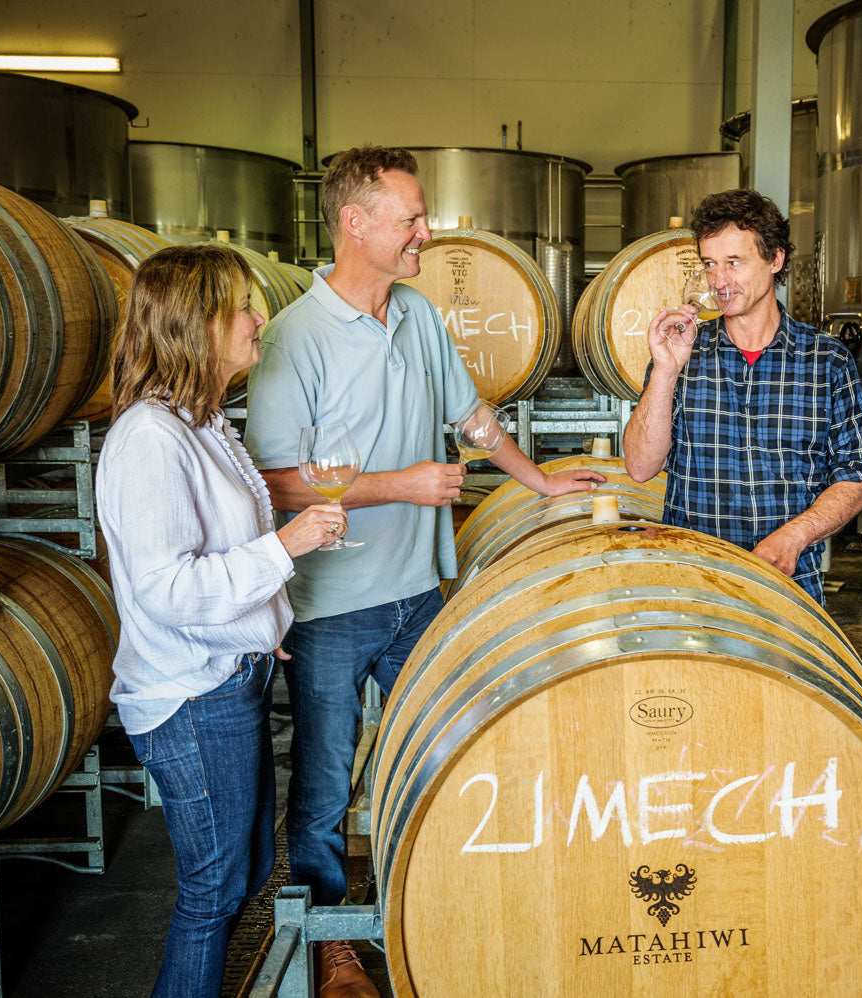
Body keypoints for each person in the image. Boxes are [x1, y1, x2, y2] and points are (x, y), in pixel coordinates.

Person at [243, 145, 603, 997]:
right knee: (327, 782)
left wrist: (539, 478)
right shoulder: (296, 337)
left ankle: (431, 905)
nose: (425, 232)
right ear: (353, 223)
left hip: (419, 597)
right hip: (331, 602)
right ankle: (333, 942)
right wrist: (397, 487)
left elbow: (471, 416)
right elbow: (273, 478)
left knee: (441, 759)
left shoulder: (415, 313)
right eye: (409, 217)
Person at [96, 245, 347, 997]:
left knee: (244, 875)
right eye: (242, 305)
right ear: (196, 323)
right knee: (213, 891)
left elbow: (218, 551)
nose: (259, 318)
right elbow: (167, 589)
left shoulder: (201, 421)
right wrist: (288, 545)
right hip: (190, 698)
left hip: (228, 679)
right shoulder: (149, 439)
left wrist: (263, 624)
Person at [622, 188, 862, 602]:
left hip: (790, 586)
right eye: (710, 265)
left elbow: (856, 474)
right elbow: (639, 467)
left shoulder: (826, 360)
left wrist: (796, 536)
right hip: (695, 583)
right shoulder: (683, 354)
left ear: (775, 259)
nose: (719, 282)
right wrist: (666, 372)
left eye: (734, 263)